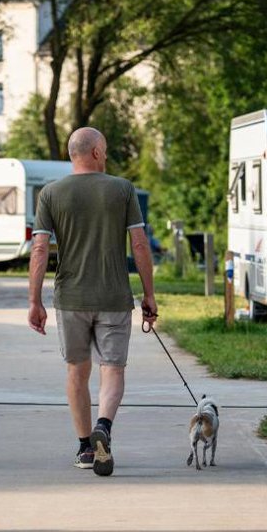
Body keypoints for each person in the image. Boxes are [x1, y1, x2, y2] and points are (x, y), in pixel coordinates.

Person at [28, 127, 158, 477]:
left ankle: (86, 447)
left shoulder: (50, 194)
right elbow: (140, 244)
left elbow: (40, 248)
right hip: (114, 296)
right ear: (97, 152)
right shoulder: (122, 189)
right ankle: (104, 425)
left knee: (77, 370)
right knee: (112, 369)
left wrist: (34, 300)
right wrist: (148, 294)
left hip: (70, 297)